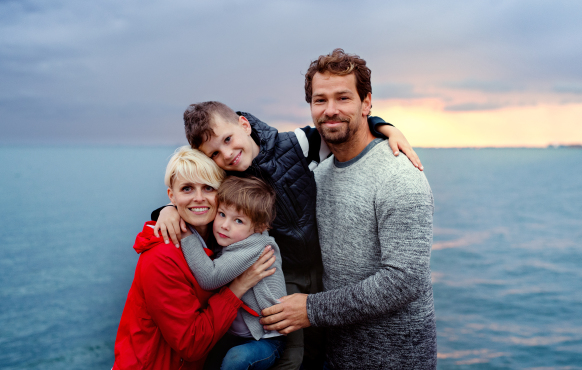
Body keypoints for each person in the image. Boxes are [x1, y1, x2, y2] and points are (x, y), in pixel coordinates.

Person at [152, 101, 423, 369]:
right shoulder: (225, 175)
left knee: (324, 344)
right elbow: (199, 198)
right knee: (294, 352)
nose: (226, 153)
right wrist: (168, 209)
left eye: (228, 139)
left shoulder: (296, 144)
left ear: (244, 125)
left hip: (323, 266)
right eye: (214, 153)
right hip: (280, 274)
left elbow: (339, 129)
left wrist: (385, 127)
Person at [260, 49, 437, 369]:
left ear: (366, 102)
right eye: (319, 100)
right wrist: (172, 209)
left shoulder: (399, 177)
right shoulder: (320, 174)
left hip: (395, 360)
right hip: (335, 356)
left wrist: (311, 309)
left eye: (343, 98)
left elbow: (403, 281)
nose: (330, 110)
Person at [113, 146, 277, 370]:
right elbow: (191, 344)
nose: (198, 199)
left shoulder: (219, 239)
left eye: (208, 188)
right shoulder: (160, 258)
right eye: (187, 189)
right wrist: (238, 287)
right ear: (172, 195)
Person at [180, 176, 287, 370]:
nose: (225, 225)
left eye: (238, 220)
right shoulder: (236, 238)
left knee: (236, 359)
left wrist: (186, 233)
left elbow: (209, 278)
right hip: (235, 335)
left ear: (259, 228)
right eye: (221, 214)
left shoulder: (255, 246)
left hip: (265, 340)